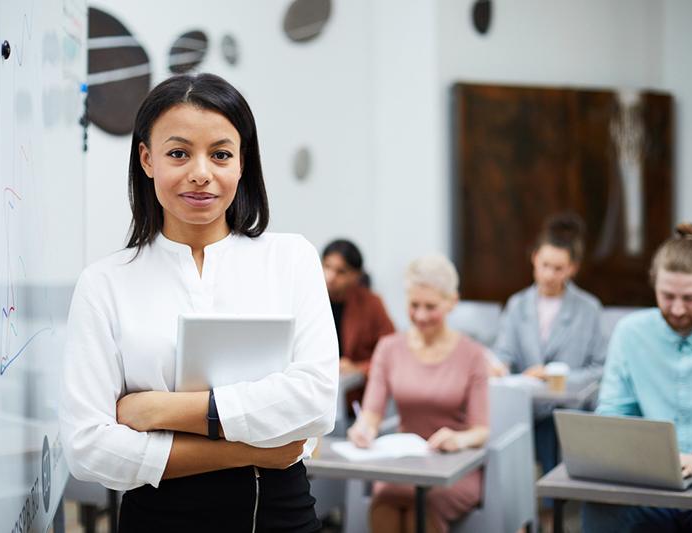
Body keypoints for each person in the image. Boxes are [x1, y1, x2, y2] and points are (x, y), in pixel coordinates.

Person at [58, 73, 338, 532]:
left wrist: (159, 410)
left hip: (279, 515)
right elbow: (88, 449)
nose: (201, 173)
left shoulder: (291, 258)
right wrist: (249, 449)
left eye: (221, 154)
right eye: (179, 153)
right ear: (147, 159)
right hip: (159, 518)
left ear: (242, 162)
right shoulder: (105, 283)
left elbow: (315, 403)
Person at [582, 223, 692, 533]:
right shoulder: (630, 333)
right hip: (646, 488)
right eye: (667, 296)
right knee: (599, 513)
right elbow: (613, 413)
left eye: (690, 298)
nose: (677, 309)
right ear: (653, 284)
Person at [347, 254, 489, 533]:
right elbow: (372, 414)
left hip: (454, 466)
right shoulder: (389, 348)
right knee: (384, 505)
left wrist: (457, 439)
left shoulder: (472, 354)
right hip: (404, 465)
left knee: (422, 510)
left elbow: (480, 430)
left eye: (430, 307)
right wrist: (362, 429)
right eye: (414, 306)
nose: (421, 316)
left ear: (452, 302)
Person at [493, 213, 606, 478]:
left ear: (573, 268)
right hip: (525, 409)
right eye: (544, 265)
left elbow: (601, 368)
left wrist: (558, 377)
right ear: (534, 258)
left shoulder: (588, 309)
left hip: (567, 411)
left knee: (553, 434)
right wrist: (503, 369)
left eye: (558, 268)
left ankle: (551, 506)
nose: (549, 275)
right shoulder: (517, 305)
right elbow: (503, 353)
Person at [322, 239, 395, 411]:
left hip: (356, 400)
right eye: (327, 266)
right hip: (317, 391)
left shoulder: (371, 304)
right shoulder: (310, 300)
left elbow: (394, 354)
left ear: (356, 275)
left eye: (341, 271)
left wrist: (358, 368)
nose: (331, 277)